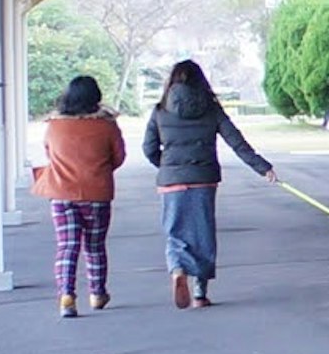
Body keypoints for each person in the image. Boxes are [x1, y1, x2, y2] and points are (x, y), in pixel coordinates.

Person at [140, 57, 271, 309]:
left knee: (175, 232)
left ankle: (178, 269)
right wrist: (262, 167)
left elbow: (148, 148)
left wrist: (167, 166)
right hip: (203, 180)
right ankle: (200, 292)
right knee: (202, 233)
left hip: (171, 182)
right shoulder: (211, 109)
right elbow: (236, 141)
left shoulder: (160, 110)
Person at [29, 73, 126, 317]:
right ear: (96, 97)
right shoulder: (107, 126)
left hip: (62, 193)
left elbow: (50, 154)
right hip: (97, 193)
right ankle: (97, 293)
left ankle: (66, 296)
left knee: (67, 245)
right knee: (94, 246)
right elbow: (118, 157)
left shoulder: (54, 126)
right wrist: (98, 170)